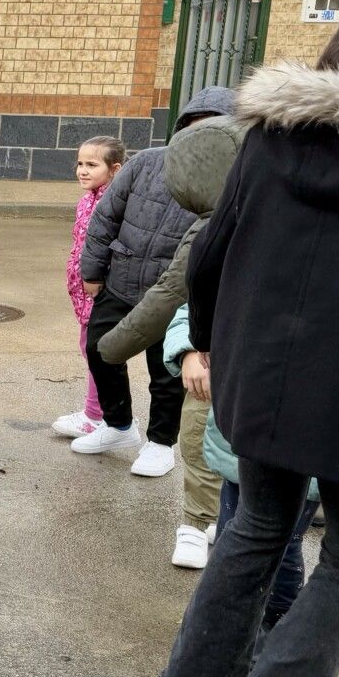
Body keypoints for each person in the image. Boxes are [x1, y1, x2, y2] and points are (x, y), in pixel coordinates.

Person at [156, 0, 339, 677]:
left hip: (264, 376)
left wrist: (209, 341)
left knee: (257, 526)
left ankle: (195, 676)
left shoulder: (270, 139)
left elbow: (211, 250)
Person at [95, 115, 245, 569]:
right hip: (209, 353)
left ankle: (236, 521)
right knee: (201, 438)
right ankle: (196, 524)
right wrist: (192, 348)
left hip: (268, 361)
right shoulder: (210, 224)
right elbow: (180, 296)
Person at [76, 86, 236, 475]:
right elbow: (105, 218)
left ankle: (160, 443)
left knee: (165, 374)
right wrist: (93, 271)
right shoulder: (146, 162)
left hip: (176, 294)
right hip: (121, 280)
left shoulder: (233, 179)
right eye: (194, 127)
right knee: (99, 349)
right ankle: (117, 425)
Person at [164, 303, 320, 612]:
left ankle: (273, 627)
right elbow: (197, 302)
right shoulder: (252, 258)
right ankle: (232, 629)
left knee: (283, 548)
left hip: (309, 441)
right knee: (233, 543)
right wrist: (190, 350)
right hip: (244, 438)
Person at [52, 136, 125, 439]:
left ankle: (95, 416)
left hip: (102, 292)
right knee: (89, 348)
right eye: (80, 163)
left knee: (97, 350)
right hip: (83, 291)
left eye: (92, 164)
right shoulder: (86, 201)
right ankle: (101, 413)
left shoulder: (116, 204)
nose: (82, 170)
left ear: (115, 169)